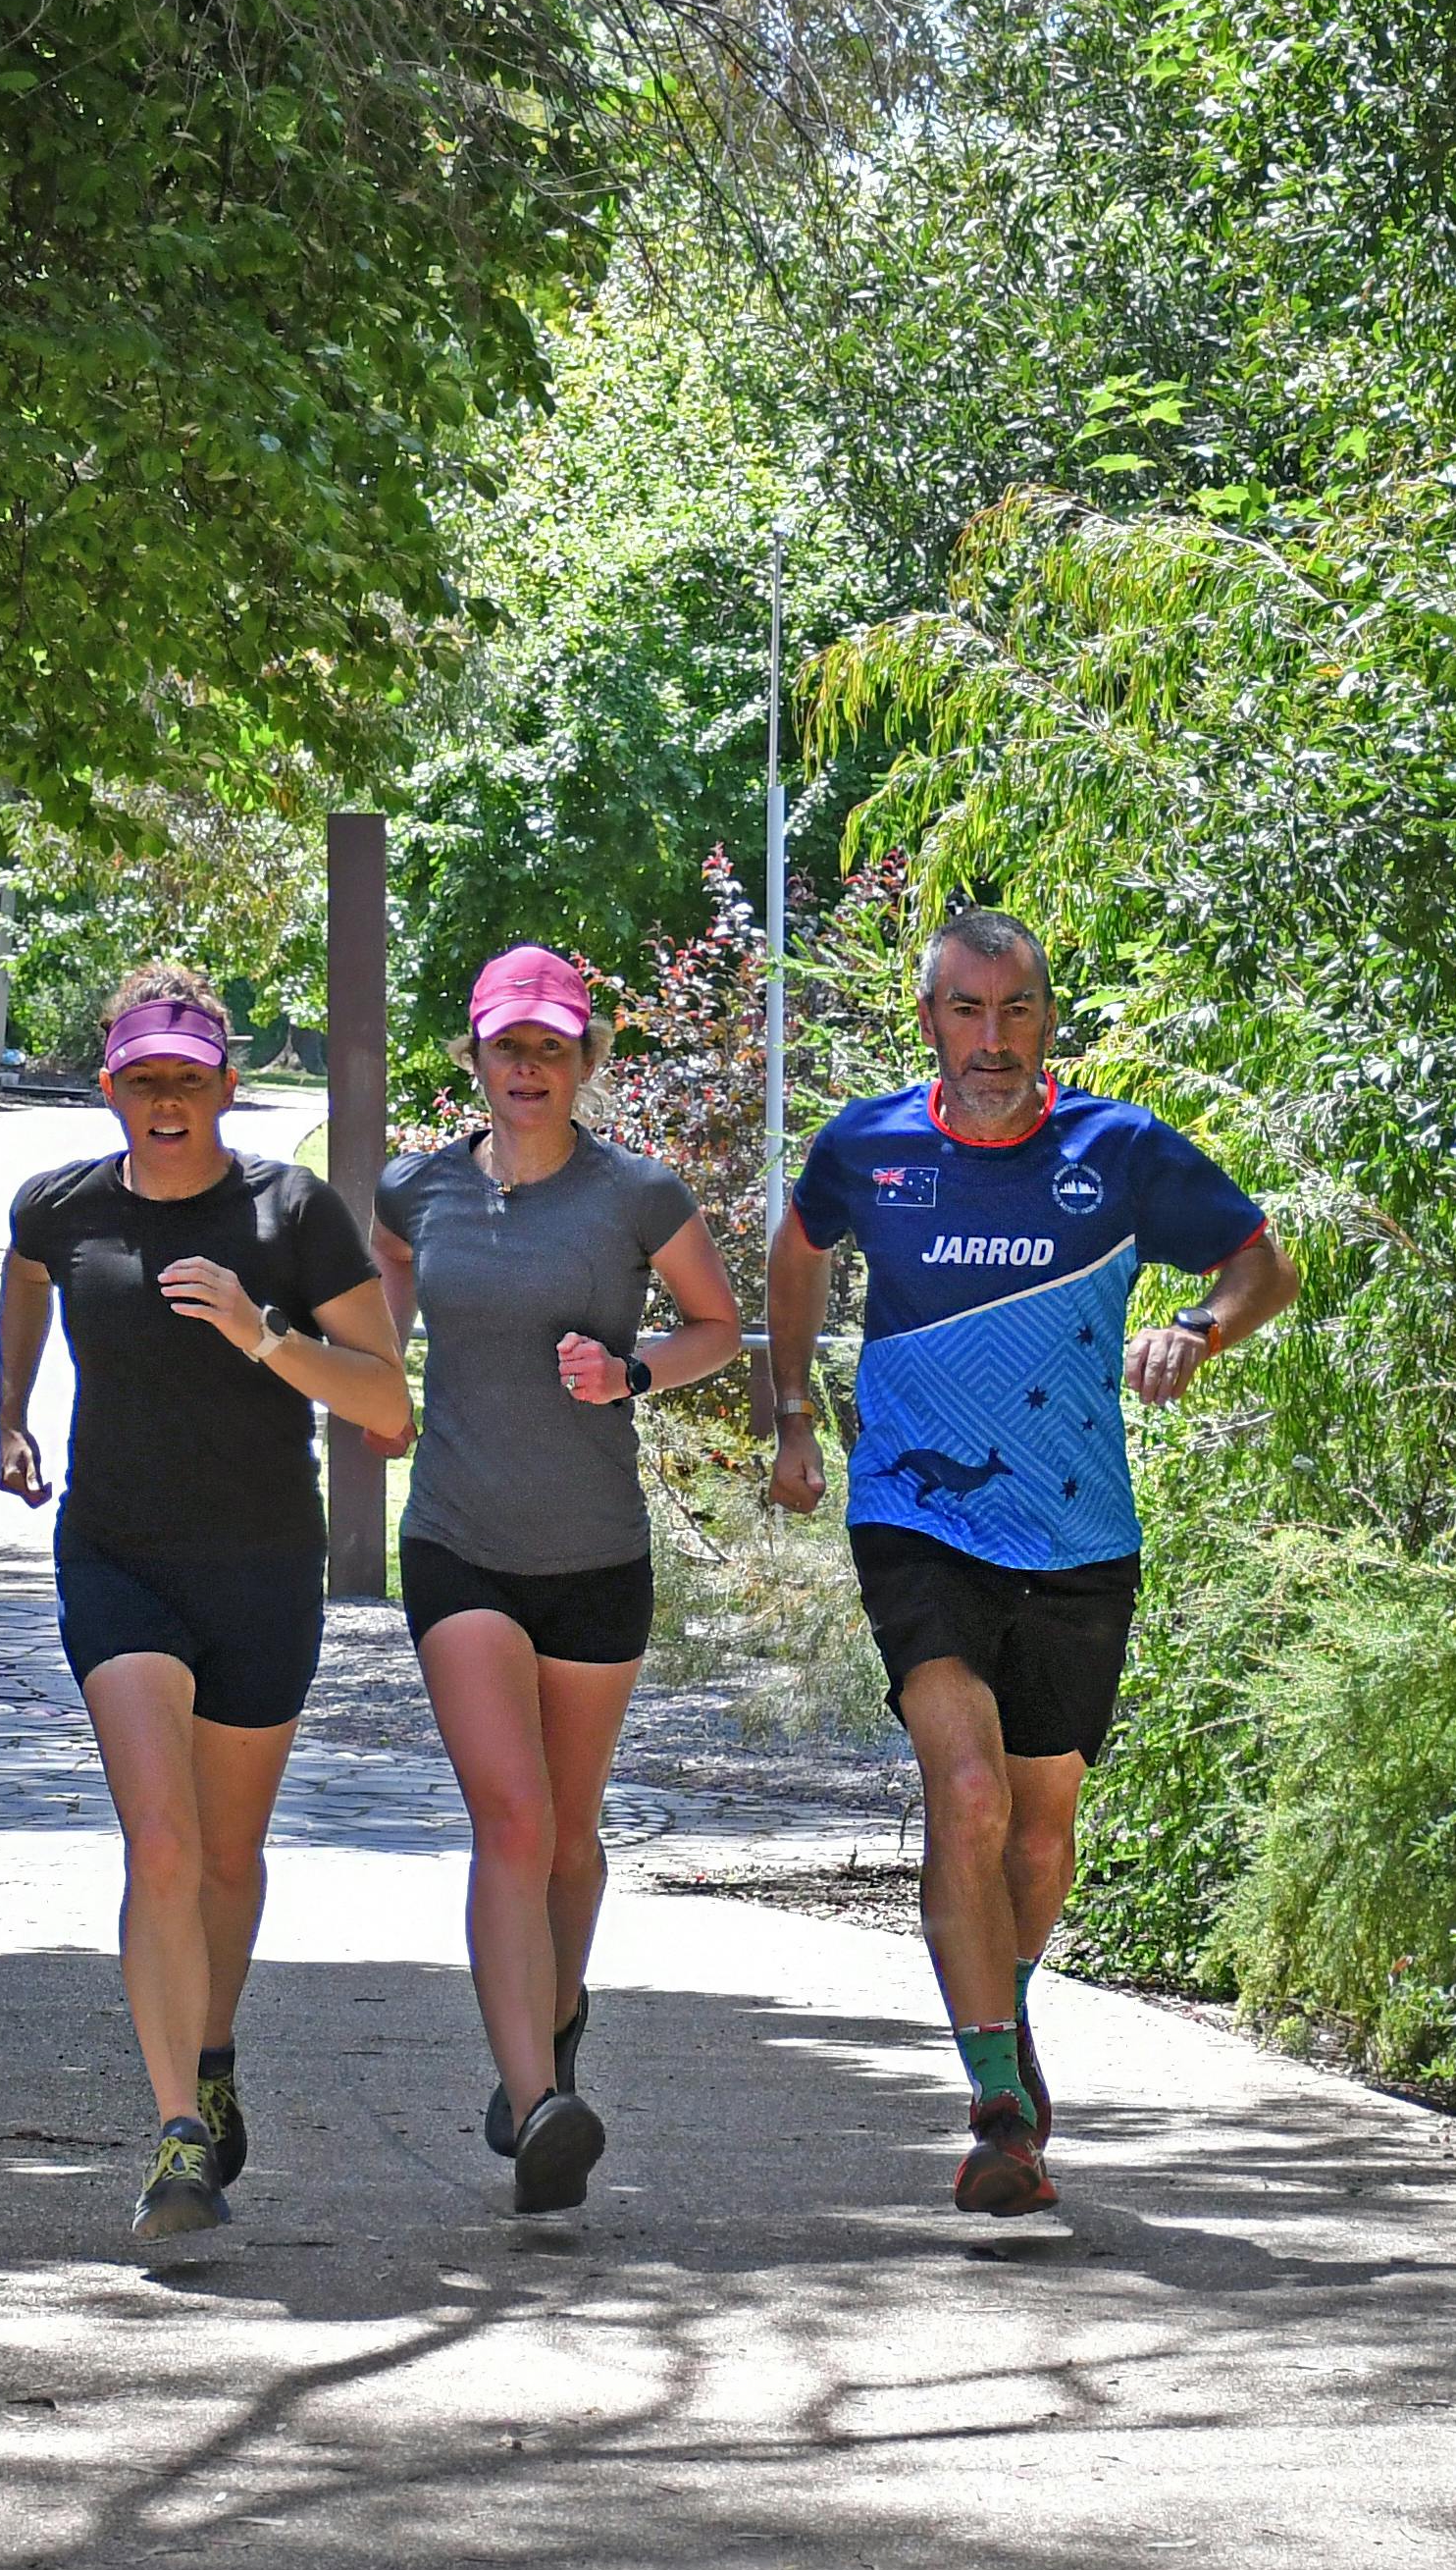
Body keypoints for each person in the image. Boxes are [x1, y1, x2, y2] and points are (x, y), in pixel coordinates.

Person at [761, 909, 1297, 2217]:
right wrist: (790, 1411)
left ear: (1045, 1018)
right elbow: (795, 1246)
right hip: (913, 1514)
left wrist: (1196, 1329)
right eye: (963, 1010)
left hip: (1074, 1530)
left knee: (1043, 1835)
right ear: (928, 1018)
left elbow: (1261, 1262)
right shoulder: (868, 1149)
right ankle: (996, 2099)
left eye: (1013, 1012)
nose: (989, 1040)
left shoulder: (1113, 1150)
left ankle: (1002, 2008)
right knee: (969, 1790)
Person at [0, 967, 417, 2244]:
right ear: (110, 1086)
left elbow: (388, 1409)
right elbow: (25, 1280)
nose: (165, 1099)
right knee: (164, 1846)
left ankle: (213, 2048)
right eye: (142, 1078)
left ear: (225, 1086)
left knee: (227, 1858)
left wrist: (263, 1334)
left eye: (187, 1078)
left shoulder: (291, 1216)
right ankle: (178, 2128)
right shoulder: (61, 1208)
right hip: (117, 1556)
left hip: (260, 1567)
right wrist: (7, 1411)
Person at [373, 945, 746, 2214]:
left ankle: (558, 2009)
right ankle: (536, 2103)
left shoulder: (636, 1193)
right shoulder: (412, 1189)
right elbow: (373, 1321)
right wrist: (365, 1396)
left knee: (573, 1837)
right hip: (459, 1542)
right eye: (504, 1045)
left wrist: (633, 1368)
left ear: (584, 1061)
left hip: (596, 1551)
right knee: (513, 1822)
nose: (526, 1068)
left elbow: (718, 1327)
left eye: (550, 1047)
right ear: (471, 1056)